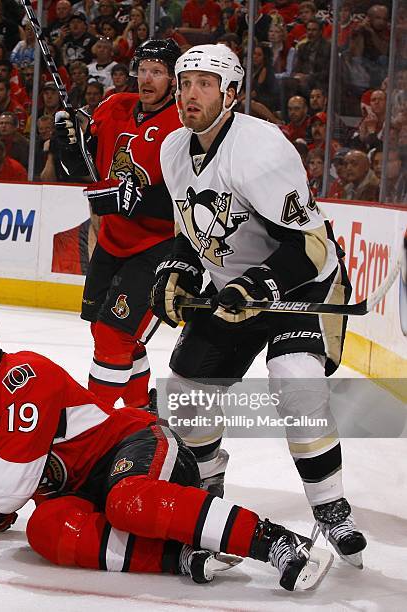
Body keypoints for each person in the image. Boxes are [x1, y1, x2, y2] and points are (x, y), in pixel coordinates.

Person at [0, 312, 333, 593]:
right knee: (46, 530)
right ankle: (179, 556)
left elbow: (13, 470)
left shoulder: (23, 376)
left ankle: (277, 541)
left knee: (126, 501)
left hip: (137, 445)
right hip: (90, 488)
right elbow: (21, 485)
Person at [150, 44, 367, 567]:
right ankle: (208, 493)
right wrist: (179, 268)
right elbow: (193, 230)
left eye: (205, 83)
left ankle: (331, 507)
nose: (190, 94)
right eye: (185, 83)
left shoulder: (261, 149)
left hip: (299, 288)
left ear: (231, 93)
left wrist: (259, 286)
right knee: (187, 390)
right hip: (233, 291)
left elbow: (311, 247)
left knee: (297, 383)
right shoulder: (174, 149)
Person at [54, 40, 182, 412]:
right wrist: (67, 144)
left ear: (174, 80)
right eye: (143, 69)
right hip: (111, 243)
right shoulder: (113, 108)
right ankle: (141, 409)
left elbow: (187, 194)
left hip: (158, 248)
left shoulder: (182, 126)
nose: (147, 78)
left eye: (157, 71)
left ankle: (95, 425)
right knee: (105, 329)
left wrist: (139, 198)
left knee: (114, 335)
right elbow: (83, 168)